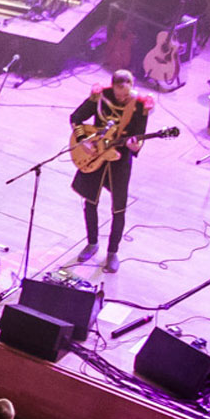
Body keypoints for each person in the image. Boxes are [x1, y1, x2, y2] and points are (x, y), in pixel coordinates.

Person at [69, 69, 153, 272]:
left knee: (118, 208)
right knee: (90, 202)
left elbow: (138, 136)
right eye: (118, 94)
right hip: (95, 154)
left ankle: (112, 252)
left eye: (126, 94)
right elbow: (76, 117)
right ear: (112, 87)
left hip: (119, 159)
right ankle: (92, 242)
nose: (122, 98)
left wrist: (135, 146)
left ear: (132, 87)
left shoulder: (140, 105)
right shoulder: (99, 96)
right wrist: (83, 141)